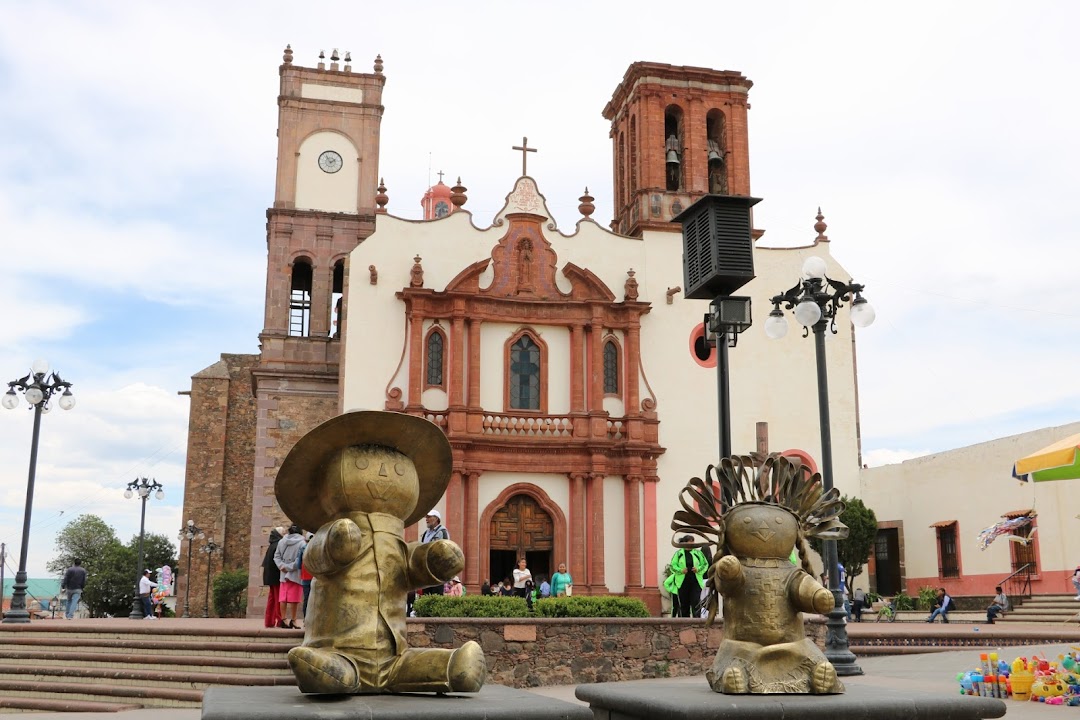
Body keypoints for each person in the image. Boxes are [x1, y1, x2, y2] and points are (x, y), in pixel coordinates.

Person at [662, 536, 708, 618]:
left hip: (695, 581)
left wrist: (698, 569)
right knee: (684, 604)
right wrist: (681, 570)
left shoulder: (698, 553)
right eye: (690, 542)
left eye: (693, 542)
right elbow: (673, 566)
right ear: (685, 543)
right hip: (682, 582)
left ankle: (697, 622)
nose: (692, 544)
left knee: (696, 602)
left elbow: (705, 564)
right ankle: (684, 623)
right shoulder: (679, 554)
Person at [274, 524, 307, 629]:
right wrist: (290, 567)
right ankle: (293, 620)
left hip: (283, 573)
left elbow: (277, 556)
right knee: (294, 599)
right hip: (295, 573)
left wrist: (282, 566)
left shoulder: (281, 541)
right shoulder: (302, 543)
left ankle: (284, 619)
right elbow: (299, 560)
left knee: (283, 598)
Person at [420, 510, 449, 596]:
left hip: (437, 568)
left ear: (436, 519)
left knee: (436, 592)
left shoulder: (442, 532)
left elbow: (444, 550)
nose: (426, 519)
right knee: (426, 593)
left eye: (429, 517)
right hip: (426, 567)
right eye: (426, 517)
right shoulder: (426, 533)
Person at [262, 527, 284, 628]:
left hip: (269, 575)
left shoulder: (272, 545)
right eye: (283, 532)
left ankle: (269, 621)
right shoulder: (278, 544)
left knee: (272, 599)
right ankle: (279, 620)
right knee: (278, 599)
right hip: (276, 576)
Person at [300, 533, 314, 618]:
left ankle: (306, 618)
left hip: (305, 576)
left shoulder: (303, 548)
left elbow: (298, 564)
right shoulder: (318, 548)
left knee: (306, 599)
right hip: (315, 577)